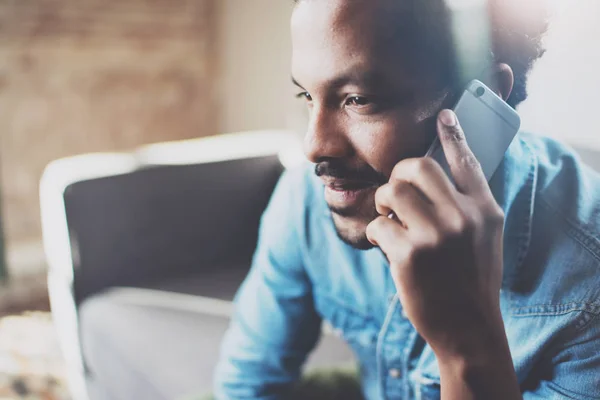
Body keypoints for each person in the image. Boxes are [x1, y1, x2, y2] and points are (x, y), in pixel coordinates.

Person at [214, 0, 600, 399]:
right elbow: (246, 386)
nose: (314, 147)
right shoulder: (306, 201)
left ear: (483, 101)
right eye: (307, 96)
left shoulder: (589, 291)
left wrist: (468, 348)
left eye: (359, 99)